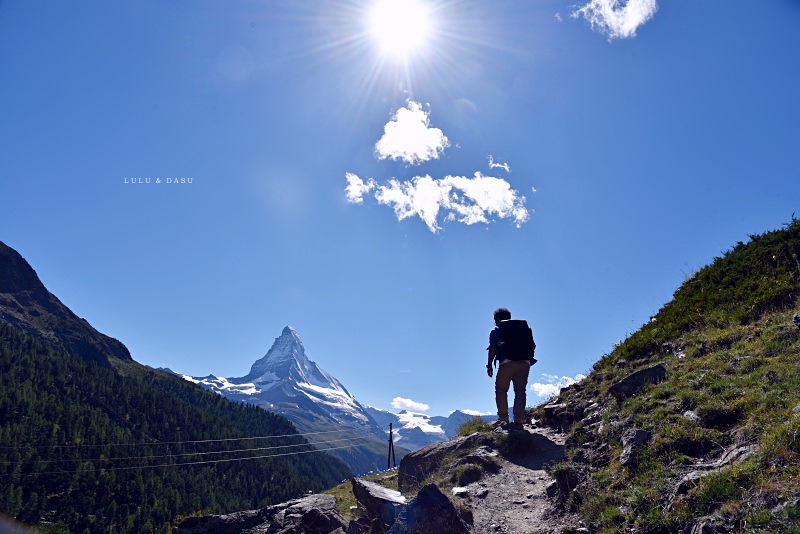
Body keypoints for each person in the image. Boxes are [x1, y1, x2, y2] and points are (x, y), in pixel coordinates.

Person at [486, 307, 531, 430]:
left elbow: (493, 348)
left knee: (501, 390)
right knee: (520, 391)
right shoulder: (522, 328)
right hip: (525, 363)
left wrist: (489, 364)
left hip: (507, 362)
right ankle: (518, 421)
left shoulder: (497, 330)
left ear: (498, 319)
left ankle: (504, 419)